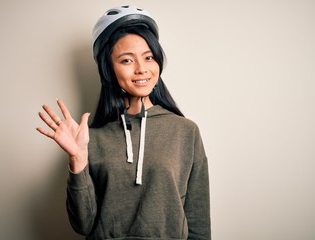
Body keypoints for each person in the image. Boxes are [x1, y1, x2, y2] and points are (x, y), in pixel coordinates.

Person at [37, 5, 211, 239]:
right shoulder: (90, 137)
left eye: (149, 57)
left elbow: (198, 224)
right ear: (109, 69)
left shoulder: (185, 131)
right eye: (127, 60)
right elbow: (83, 225)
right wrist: (77, 159)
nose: (142, 69)